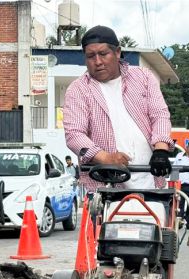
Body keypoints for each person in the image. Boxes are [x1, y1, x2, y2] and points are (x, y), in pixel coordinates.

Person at [63, 25, 174, 194]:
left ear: (117, 52)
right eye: (91, 56)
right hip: (106, 186)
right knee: (108, 220)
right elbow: (74, 135)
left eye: (103, 54)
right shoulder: (78, 89)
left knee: (158, 218)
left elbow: (159, 115)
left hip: (151, 179)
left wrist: (160, 151)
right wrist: (106, 158)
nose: (98, 61)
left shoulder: (144, 77)